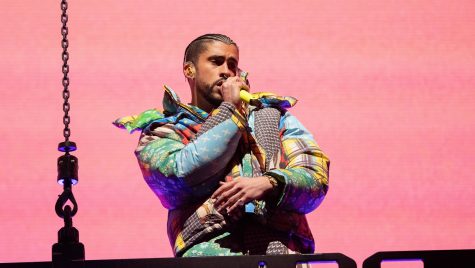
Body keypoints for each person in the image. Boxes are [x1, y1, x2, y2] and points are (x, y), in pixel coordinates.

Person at [114, 33, 330, 257]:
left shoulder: (274, 117)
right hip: (210, 256)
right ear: (189, 70)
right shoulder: (162, 130)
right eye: (216, 62)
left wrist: (269, 183)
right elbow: (181, 176)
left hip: (282, 254)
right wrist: (230, 110)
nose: (226, 71)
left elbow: (316, 179)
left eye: (232, 64)